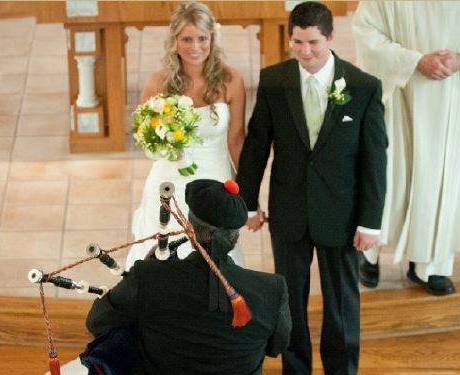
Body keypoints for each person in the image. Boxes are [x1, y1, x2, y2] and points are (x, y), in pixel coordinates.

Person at [236, 2, 387, 374]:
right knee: (289, 303)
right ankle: (296, 369)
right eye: (298, 42)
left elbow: (375, 161)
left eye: (314, 43)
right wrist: (249, 203)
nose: (305, 51)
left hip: (343, 214)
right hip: (290, 211)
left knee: (341, 306)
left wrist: (370, 222)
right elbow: (257, 145)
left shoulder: (363, 87)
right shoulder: (274, 81)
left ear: (331, 38)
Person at [352, 2, 460, 295]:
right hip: (400, 98)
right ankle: (369, 254)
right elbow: (366, 30)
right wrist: (414, 61)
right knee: (390, 177)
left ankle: (429, 266)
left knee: (439, 181)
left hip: (451, 100)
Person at [85, 179, 292, 374]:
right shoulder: (273, 290)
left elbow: (97, 321)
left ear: (189, 228)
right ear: (235, 237)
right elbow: (275, 348)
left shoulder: (147, 278)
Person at [126, 1, 246, 269]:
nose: (195, 47)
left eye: (202, 38)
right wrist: (164, 146)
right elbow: (145, 137)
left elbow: (237, 139)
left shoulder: (231, 80)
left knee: (214, 258)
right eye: (187, 39)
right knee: (161, 251)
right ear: (174, 41)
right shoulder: (158, 83)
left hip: (215, 176)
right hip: (169, 177)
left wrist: (246, 193)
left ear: (212, 39)